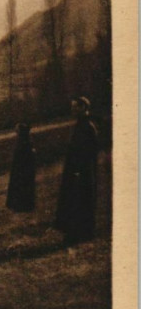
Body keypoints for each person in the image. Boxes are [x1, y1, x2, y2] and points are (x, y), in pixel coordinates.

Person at [54, 97, 99, 244]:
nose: (72, 110)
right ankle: (76, 232)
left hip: (83, 172)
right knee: (74, 201)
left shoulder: (87, 127)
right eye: (72, 107)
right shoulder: (80, 125)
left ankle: (81, 233)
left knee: (81, 201)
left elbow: (89, 152)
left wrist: (80, 170)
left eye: (75, 107)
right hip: (76, 171)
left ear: (83, 108)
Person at [6, 123, 36, 212]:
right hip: (24, 165)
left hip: (21, 166)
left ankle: (21, 204)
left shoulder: (21, 144)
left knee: (20, 181)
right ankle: (24, 204)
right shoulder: (27, 144)